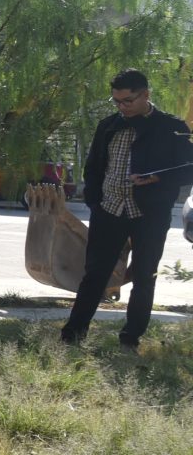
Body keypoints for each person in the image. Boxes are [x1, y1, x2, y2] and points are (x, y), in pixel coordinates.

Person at [61, 69, 193, 351]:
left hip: (149, 214)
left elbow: (188, 169)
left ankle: (130, 339)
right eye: (117, 101)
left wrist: (157, 179)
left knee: (144, 276)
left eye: (128, 101)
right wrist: (94, 202)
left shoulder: (171, 126)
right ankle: (73, 334)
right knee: (95, 275)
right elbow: (94, 167)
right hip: (108, 210)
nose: (122, 107)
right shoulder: (108, 125)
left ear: (145, 94)